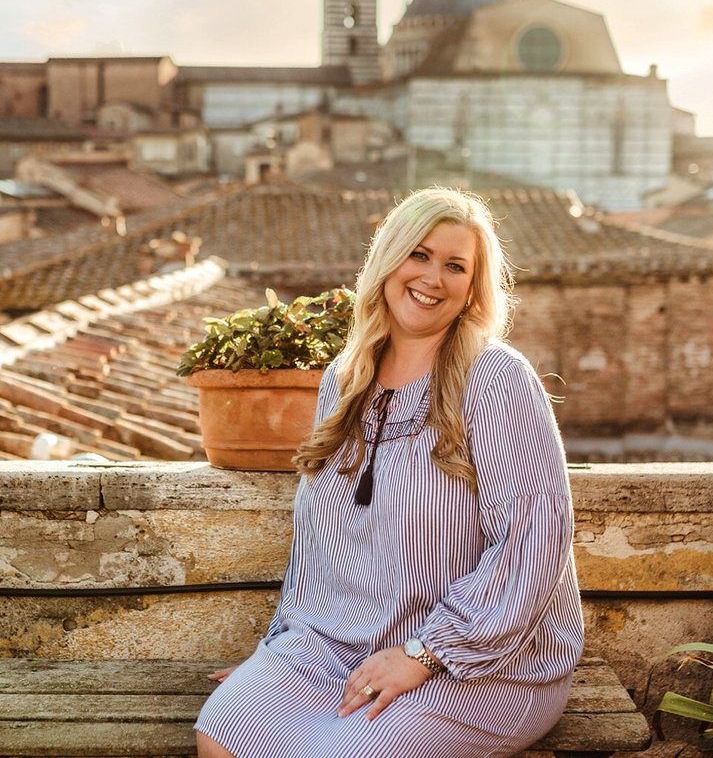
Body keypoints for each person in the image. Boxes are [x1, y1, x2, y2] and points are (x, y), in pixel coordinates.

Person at [196, 187, 584, 758]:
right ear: (389, 259)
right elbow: (318, 547)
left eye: (456, 266)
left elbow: (532, 544)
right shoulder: (345, 378)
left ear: (473, 290)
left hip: (480, 667)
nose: (433, 277)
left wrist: (423, 654)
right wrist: (278, 653)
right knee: (225, 729)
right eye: (419, 255)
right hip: (335, 644)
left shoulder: (498, 380)